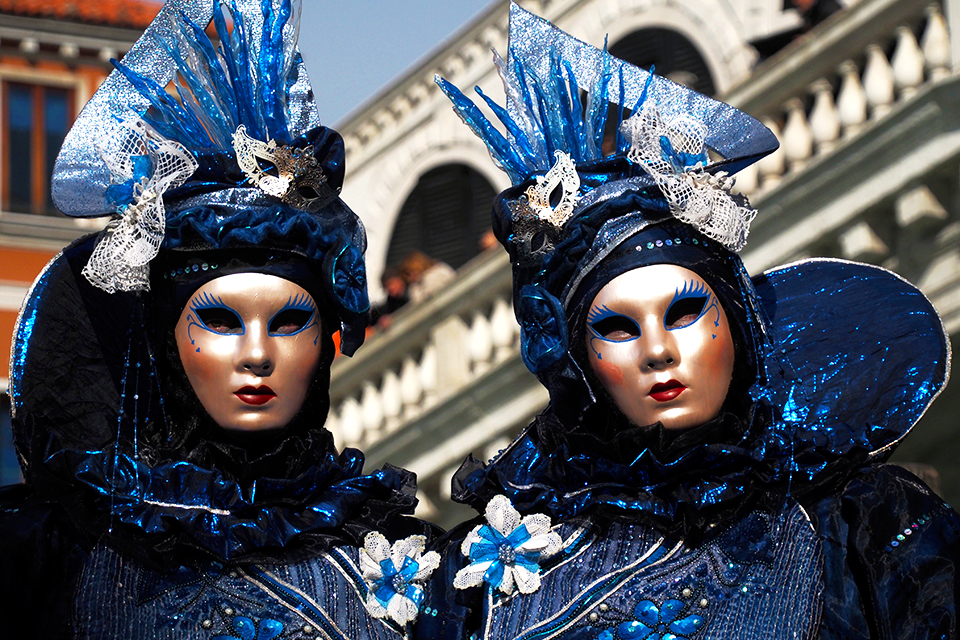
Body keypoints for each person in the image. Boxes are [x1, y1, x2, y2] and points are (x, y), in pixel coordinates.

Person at [417, 5, 959, 639]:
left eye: (683, 312)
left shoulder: (857, 524)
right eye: (617, 328)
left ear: (736, 321)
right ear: (579, 363)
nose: (657, 351)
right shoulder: (495, 582)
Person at [0, 1, 438, 636]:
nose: (257, 354)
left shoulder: (404, 564)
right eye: (220, 322)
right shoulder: (66, 559)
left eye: (289, 322)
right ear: (166, 342)